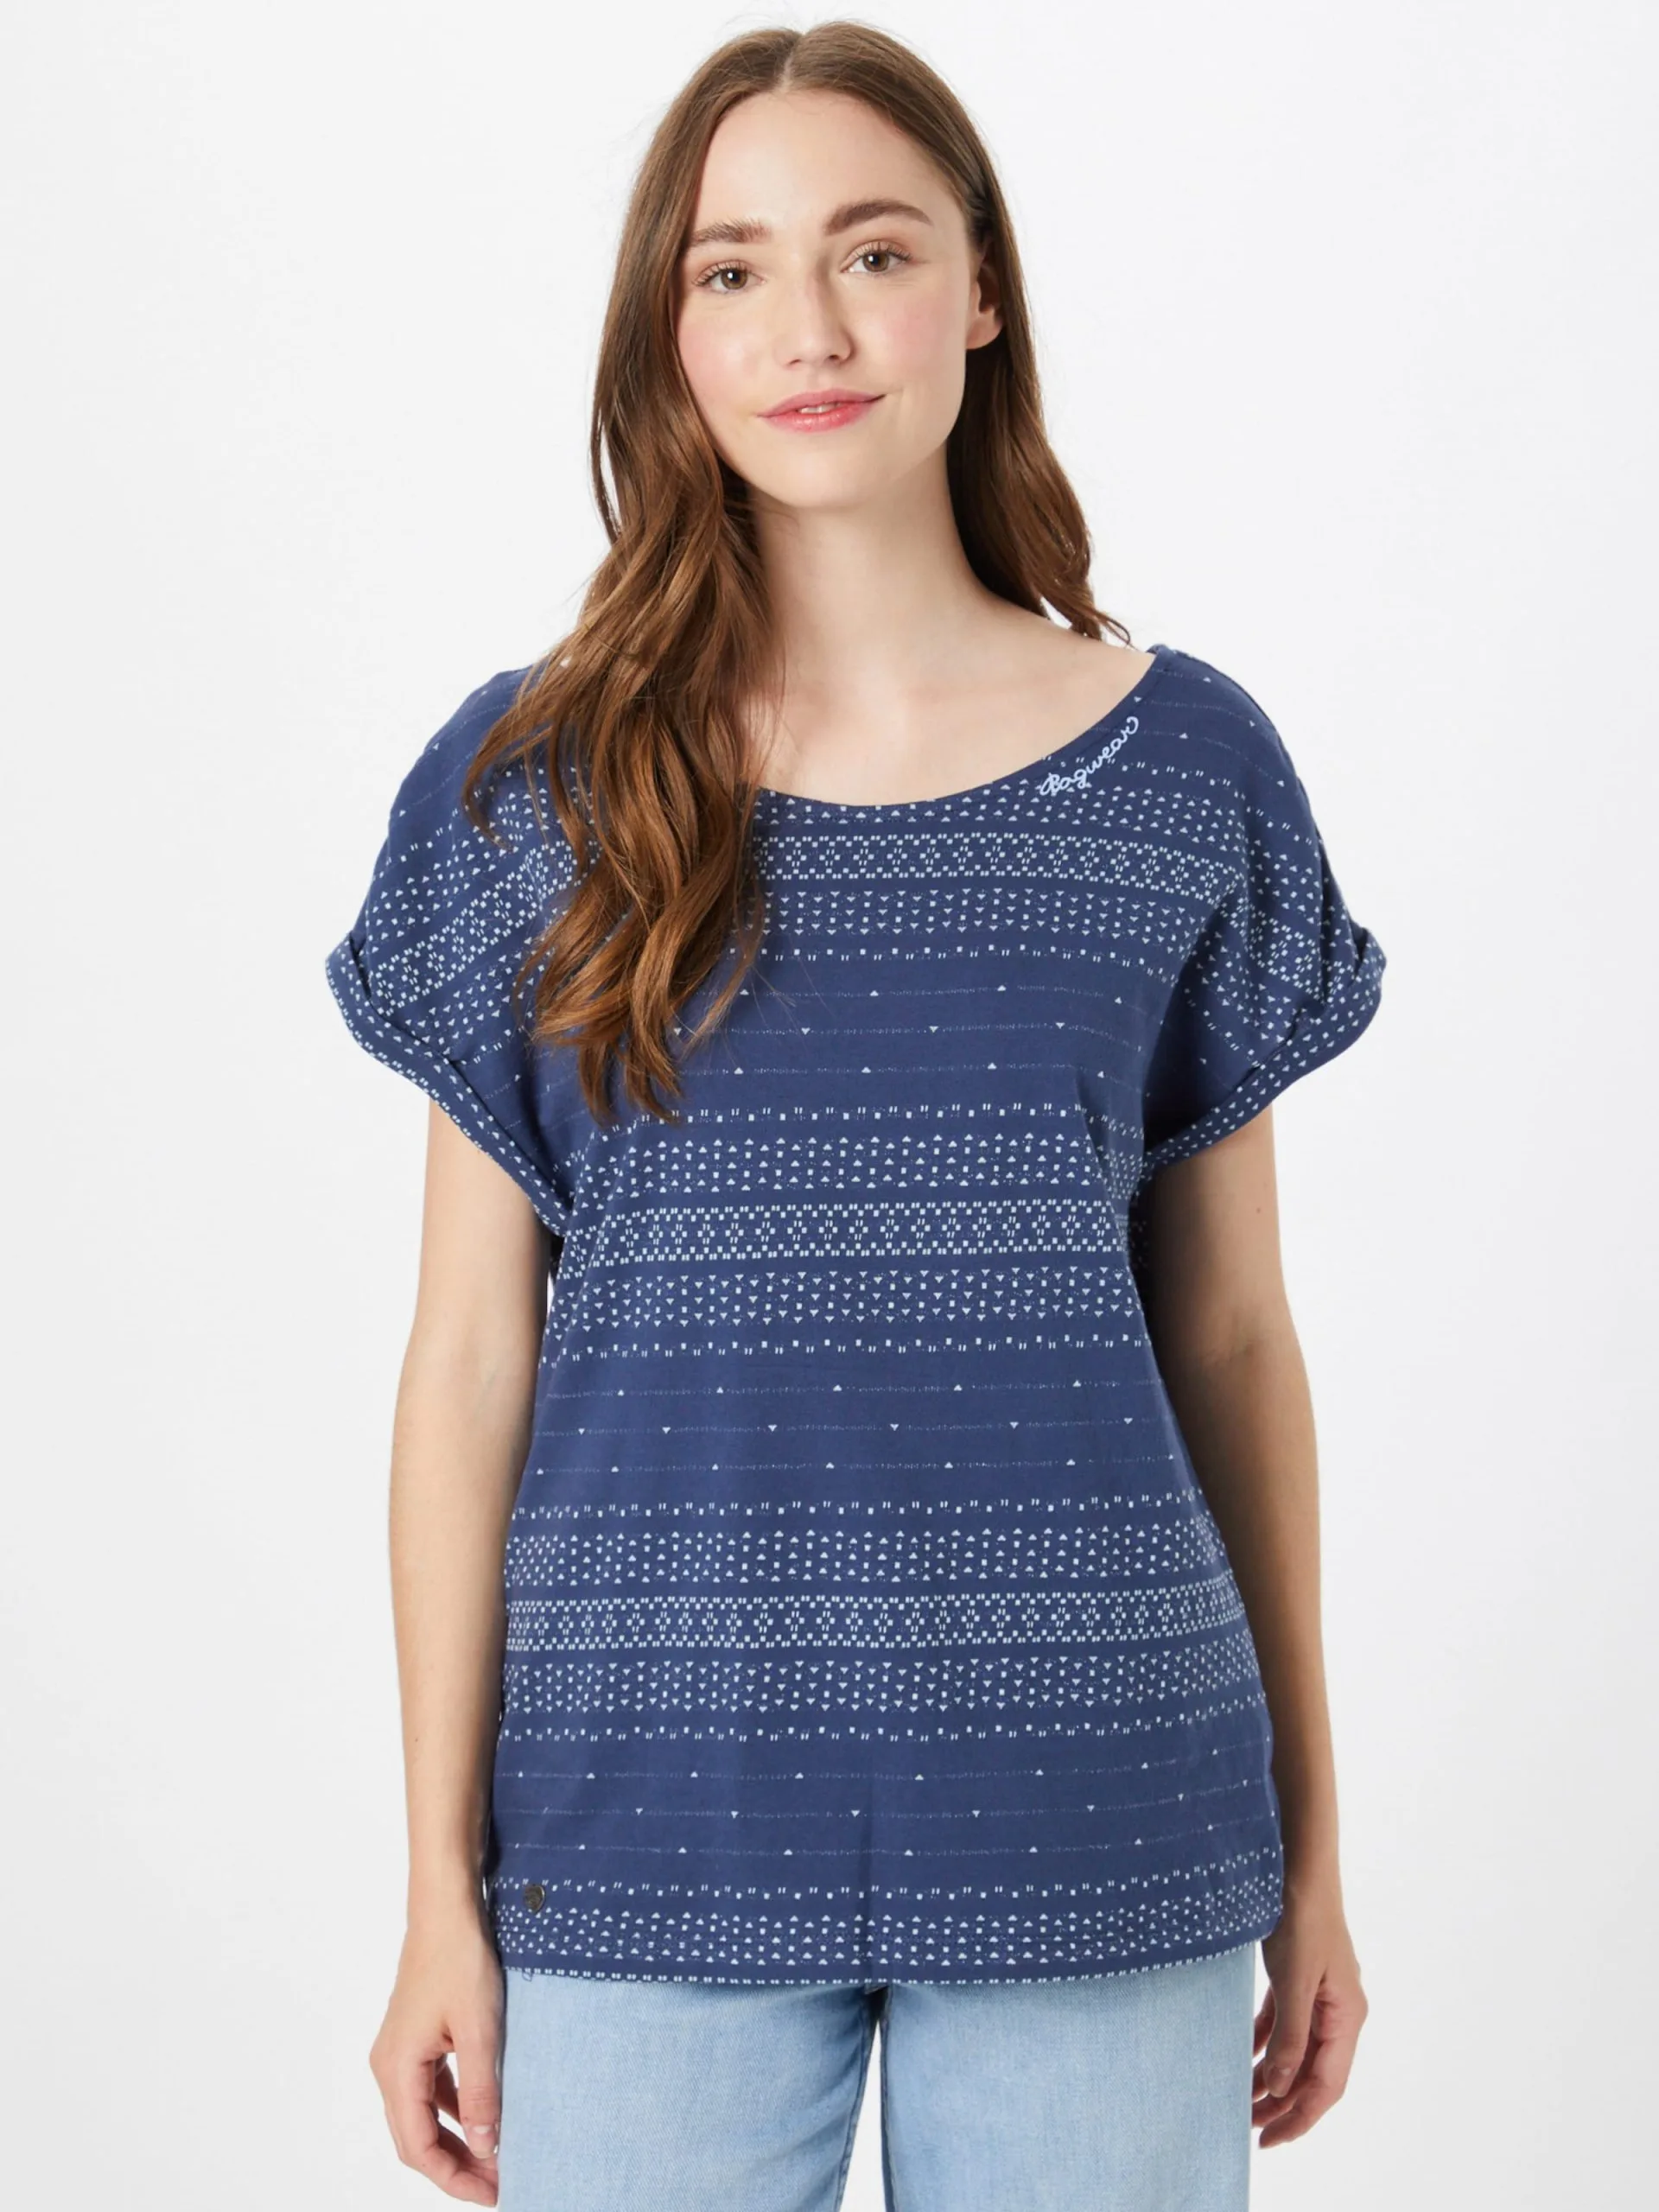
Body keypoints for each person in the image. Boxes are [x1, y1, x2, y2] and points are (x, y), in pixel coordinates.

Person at [324, 22, 1386, 2210]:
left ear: (980, 294)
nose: (806, 327)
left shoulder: (1182, 765)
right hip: (648, 1825)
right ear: (670, 333)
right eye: (731, 270)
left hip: (1103, 1809)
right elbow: (466, 1359)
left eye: (874, 252)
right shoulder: (533, 788)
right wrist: (435, 1883)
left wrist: (1316, 1849)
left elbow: (1233, 1337)